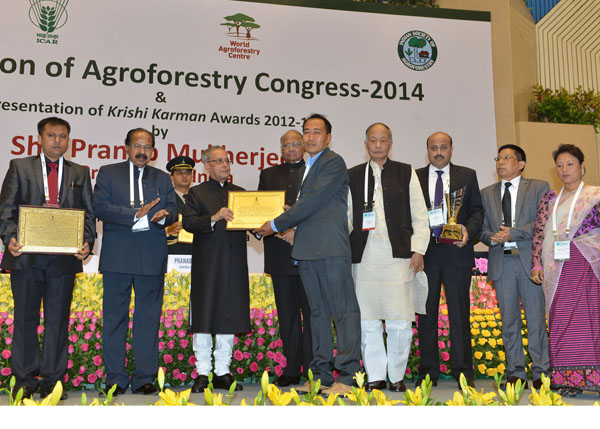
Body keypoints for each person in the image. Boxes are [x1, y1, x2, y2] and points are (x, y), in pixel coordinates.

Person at [254, 114, 362, 396]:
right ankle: (321, 376)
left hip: (331, 249)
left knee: (344, 312)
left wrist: (275, 224)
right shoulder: (308, 166)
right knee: (317, 315)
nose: (310, 137)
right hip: (307, 250)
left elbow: (313, 201)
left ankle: (349, 376)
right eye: (307, 132)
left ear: (328, 138)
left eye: (317, 132)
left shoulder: (333, 162)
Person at [0, 117, 95, 400]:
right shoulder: (20, 166)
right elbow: (5, 209)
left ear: (69, 140)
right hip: (26, 257)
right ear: (39, 138)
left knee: (58, 320)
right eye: (52, 135)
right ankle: (25, 379)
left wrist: (87, 242)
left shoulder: (80, 172)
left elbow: (88, 214)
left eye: (63, 136)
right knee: (25, 319)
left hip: (63, 260)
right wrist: (10, 238)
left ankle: (54, 380)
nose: (57, 141)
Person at [93, 128, 177, 396]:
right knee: (114, 318)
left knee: (148, 319)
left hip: (151, 256)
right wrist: (134, 214)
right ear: (127, 147)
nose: (142, 152)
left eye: (148, 147)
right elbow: (100, 207)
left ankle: (144, 377)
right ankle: (115, 376)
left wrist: (163, 216)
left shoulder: (163, 179)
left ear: (153, 151)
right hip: (118, 256)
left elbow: (174, 210)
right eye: (137, 146)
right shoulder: (108, 172)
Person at [347, 123, 429, 393]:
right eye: (373, 140)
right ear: (366, 144)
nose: (378, 144)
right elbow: (347, 217)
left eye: (383, 140)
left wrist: (418, 249)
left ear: (390, 143)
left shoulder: (405, 172)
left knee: (400, 321)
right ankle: (374, 376)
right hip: (365, 255)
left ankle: (396, 375)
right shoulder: (354, 175)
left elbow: (420, 212)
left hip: (399, 255)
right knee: (368, 320)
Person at [415, 131, 484, 389]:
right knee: (426, 313)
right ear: (427, 150)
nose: (439, 152)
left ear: (452, 149)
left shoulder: (468, 175)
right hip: (426, 253)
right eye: (434, 147)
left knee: (459, 313)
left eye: (443, 147)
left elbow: (477, 210)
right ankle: (428, 370)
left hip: (457, 251)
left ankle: (463, 370)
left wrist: (468, 230)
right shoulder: (416, 177)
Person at [531, 144, 600, 396]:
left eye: (569, 164)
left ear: (582, 166)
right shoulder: (550, 198)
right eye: (559, 165)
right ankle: (567, 380)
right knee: (561, 321)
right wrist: (536, 263)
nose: (564, 169)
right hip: (556, 270)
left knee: (590, 321)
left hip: (587, 268)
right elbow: (539, 233)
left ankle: (593, 379)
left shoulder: (595, 195)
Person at [479, 144, 549, 389]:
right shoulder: (486, 192)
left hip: (530, 262)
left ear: (521, 164)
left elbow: (543, 222)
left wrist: (515, 233)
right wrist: (492, 237)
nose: (500, 162)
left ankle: (541, 372)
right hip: (502, 262)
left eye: (507, 158)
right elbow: (482, 229)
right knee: (509, 322)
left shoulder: (539, 187)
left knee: (535, 320)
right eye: (498, 157)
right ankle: (516, 372)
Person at [182, 145, 249, 392]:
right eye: (219, 161)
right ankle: (202, 372)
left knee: (228, 316)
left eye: (227, 160)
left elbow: (252, 223)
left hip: (234, 264)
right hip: (207, 265)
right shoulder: (197, 193)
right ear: (207, 165)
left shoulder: (240, 194)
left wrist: (273, 218)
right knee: (204, 316)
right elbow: (188, 223)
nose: (224, 165)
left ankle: (223, 371)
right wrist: (214, 216)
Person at [258, 130, 312, 387]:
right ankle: (292, 368)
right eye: (286, 145)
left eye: (295, 144)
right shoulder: (269, 175)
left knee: (314, 315)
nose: (291, 149)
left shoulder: (316, 170)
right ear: (280, 149)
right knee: (288, 315)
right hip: (280, 254)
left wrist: (297, 231)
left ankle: (315, 368)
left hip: (312, 254)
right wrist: (284, 231)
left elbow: (322, 210)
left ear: (304, 145)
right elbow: (262, 213)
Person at [165, 156, 195, 255]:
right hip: (173, 252)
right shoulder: (164, 199)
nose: (184, 176)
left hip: (197, 254)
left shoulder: (200, 198)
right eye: (179, 173)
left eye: (188, 173)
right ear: (171, 177)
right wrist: (168, 230)